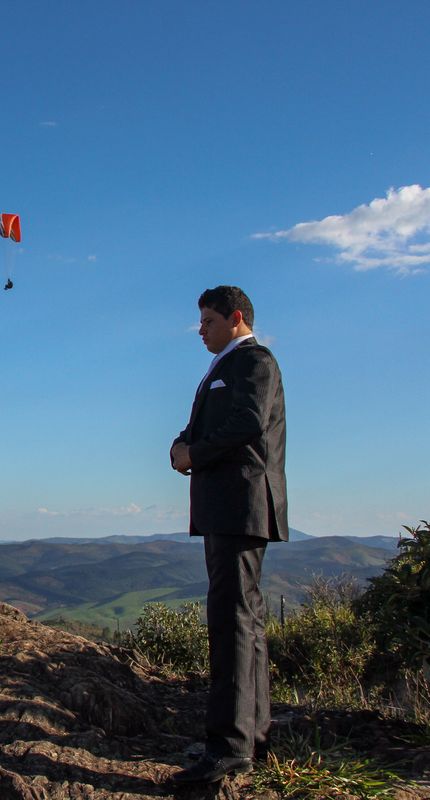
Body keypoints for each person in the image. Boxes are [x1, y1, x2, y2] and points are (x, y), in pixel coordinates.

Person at [168, 285, 287, 785]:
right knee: (245, 622)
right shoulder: (224, 366)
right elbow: (207, 424)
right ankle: (251, 736)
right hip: (226, 508)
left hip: (240, 505)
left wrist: (193, 454)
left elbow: (248, 423)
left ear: (236, 318)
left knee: (231, 622)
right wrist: (180, 445)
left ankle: (229, 748)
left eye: (208, 321)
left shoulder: (254, 360)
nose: (200, 330)